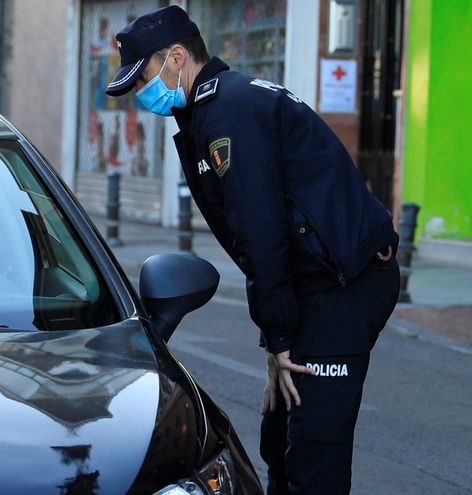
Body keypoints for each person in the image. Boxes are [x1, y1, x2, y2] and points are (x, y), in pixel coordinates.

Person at [105, 6, 399, 495]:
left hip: (343, 285)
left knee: (313, 450)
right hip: (313, 281)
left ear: (176, 57)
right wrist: (274, 343)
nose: (140, 92)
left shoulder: (228, 112)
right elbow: (262, 238)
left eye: (143, 78)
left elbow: (261, 232)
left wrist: (280, 338)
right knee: (278, 432)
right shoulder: (213, 109)